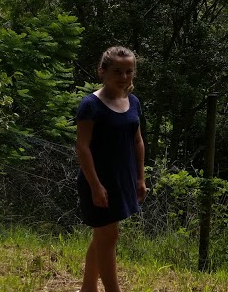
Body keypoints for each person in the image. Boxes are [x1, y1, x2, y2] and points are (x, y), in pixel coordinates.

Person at [75, 46, 146, 292]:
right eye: (117, 71)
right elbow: (82, 148)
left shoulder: (133, 102)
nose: (124, 77)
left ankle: (87, 288)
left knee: (103, 237)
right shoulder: (90, 105)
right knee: (108, 238)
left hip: (122, 179)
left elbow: (137, 141)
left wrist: (140, 177)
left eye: (129, 71)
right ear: (102, 71)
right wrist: (95, 185)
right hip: (98, 180)